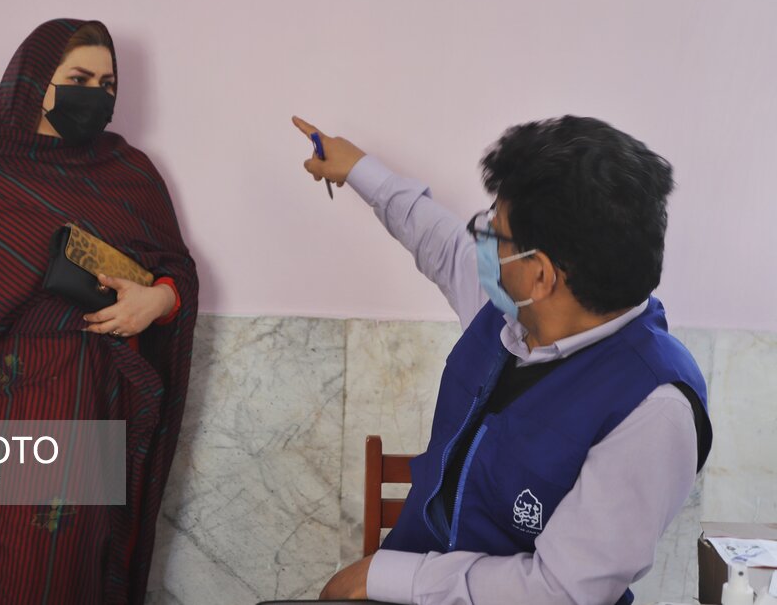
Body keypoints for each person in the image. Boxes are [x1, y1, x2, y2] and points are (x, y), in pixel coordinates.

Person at [292, 115, 711, 605]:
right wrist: (357, 169)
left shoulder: (655, 410)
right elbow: (440, 242)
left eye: (495, 232)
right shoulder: (516, 311)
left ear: (541, 275)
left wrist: (383, 577)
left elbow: (560, 592)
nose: (482, 240)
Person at [0, 19, 198, 604]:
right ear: (34, 82)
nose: (95, 95)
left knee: (77, 564)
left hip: (94, 399)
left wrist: (160, 300)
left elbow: (176, 268)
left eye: (106, 84)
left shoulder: (129, 172)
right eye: (79, 79)